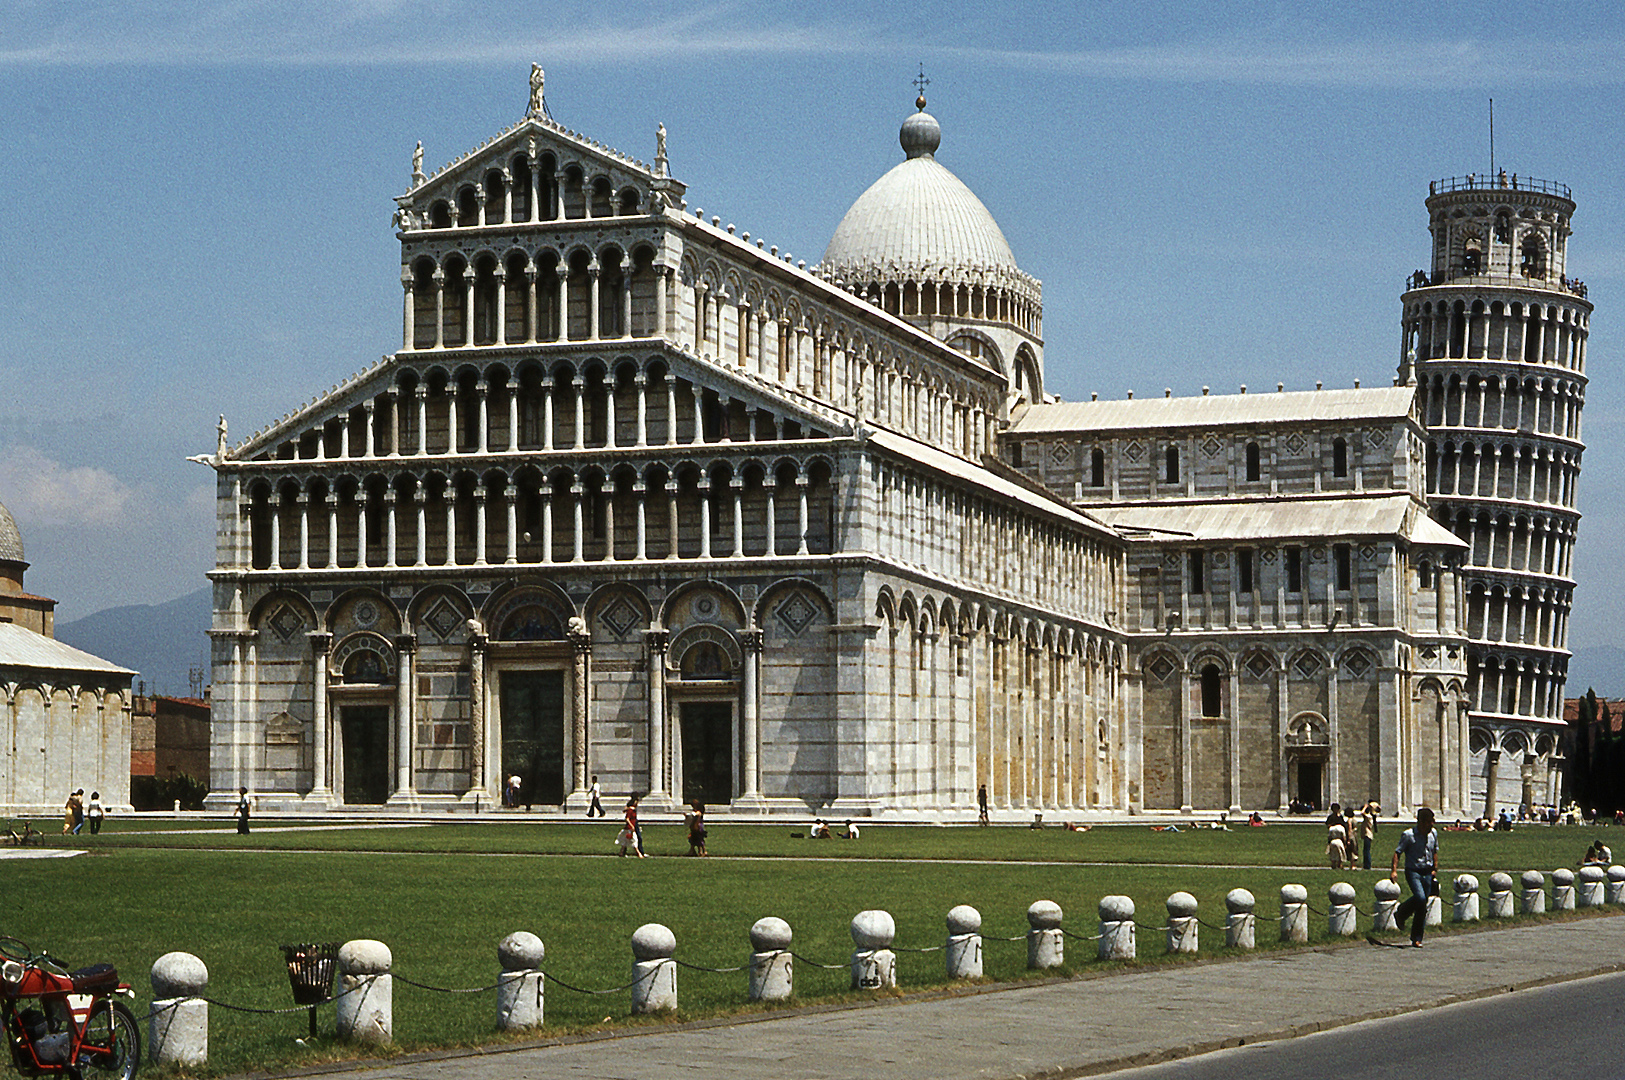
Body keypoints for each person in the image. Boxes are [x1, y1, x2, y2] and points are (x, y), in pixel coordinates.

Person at [1390, 806, 1438, 947]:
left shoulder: (1433, 834)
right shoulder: (1408, 835)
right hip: (1413, 871)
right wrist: (1394, 870)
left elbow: (1435, 850)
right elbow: (1397, 852)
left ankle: (1417, 937)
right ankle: (1402, 913)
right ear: (1421, 822)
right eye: (1429, 822)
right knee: (1420, 898)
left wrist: (1435, 867)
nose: (1432, 824)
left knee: (1422, 905)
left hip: (1428, 871)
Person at [1360, 800, 1380, 870]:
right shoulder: (1372, 816)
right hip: (1368, 835)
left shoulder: (1369, 817)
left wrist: (1365, 807)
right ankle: (1366, 865)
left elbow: (1362, 813)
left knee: (1366, 851)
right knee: (1366, 850)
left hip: (1367, 835)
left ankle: (1367, 866)